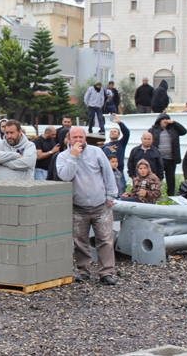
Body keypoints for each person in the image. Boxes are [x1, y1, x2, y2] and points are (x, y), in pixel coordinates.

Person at [57, 127, 118, 285]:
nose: (78, 140)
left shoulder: (97, 152)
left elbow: (108, 174)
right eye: (75, 137)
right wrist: (73, 157)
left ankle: (106, 273)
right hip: (78, 207)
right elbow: (65, 177)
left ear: (85, 138)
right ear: (68, 139)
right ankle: (83, 271)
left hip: (101, 206)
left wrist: (111, 196)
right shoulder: (62, 157)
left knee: (105, 240)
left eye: (81, 137)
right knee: (79, 241)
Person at [148, 113, 186, 197]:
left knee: (171, 180)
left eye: (167, 119)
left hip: (171, 159)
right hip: (158, 160)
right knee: (156, 178)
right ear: (159, 120)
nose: (165, 121)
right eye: (163, 119)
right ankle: (155, 195)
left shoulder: (173, 129)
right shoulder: (153, 130)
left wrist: (174, 122)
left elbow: (184, 131)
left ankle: (171, 196)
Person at [101, 114, 130, 194]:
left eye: (115, 131)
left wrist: (119, 123)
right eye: (111, 131)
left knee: (120, 190)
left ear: (119, 135)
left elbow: (127, 133)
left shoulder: (121, 143)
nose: (112, 132)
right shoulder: (104, 147)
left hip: (118, 171)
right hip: (106, 172)